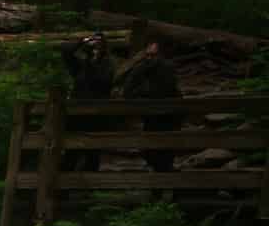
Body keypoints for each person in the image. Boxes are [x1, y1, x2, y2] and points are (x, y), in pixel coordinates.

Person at [120, 37, 183, 172]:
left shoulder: (167, 68)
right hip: (152, 118)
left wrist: (142, 91)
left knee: (164, 154)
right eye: (147, 55)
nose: (149, 58)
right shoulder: (146, 69)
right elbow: (128, 90)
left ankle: (163, 186)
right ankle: (158, 184)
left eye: (153, 55)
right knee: (151, 152)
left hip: (169, 119)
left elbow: (162, 91)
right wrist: (140, 68)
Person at [58, 32, 116, 170]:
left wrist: (90, 58)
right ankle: (66, 188)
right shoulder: (80, 67)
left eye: (97, 46)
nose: (94, 49)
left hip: (96, 115)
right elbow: (65, 51)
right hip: (76, 115)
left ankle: (88, 189)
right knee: (71, 152)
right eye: (93, 46)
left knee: (92, 153)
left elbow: (99, 81)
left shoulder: (108, 64)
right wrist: (81, 41)